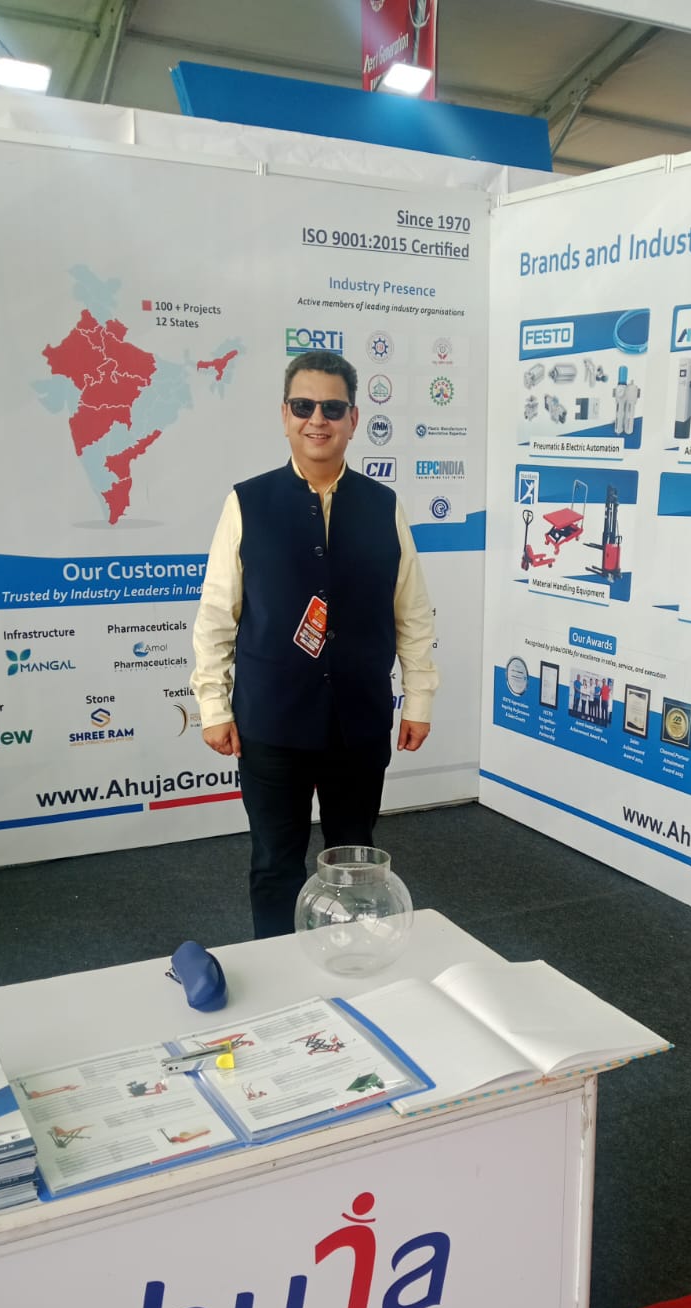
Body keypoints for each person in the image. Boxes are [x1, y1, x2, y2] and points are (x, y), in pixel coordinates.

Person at [190, 351, 438, 938]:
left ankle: (351, 961)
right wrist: (213, 706)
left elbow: (412, 612)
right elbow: (217, 614)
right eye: (303, 406)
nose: (317, 419)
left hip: (359, 721)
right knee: (275, 862)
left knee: (355, 861)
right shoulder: (247, 502)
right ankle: (280, 973)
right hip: (271, 721)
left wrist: (420, 697)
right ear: (285, 416)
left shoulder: (383, 506)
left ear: (353, 419)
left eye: (332, 407)